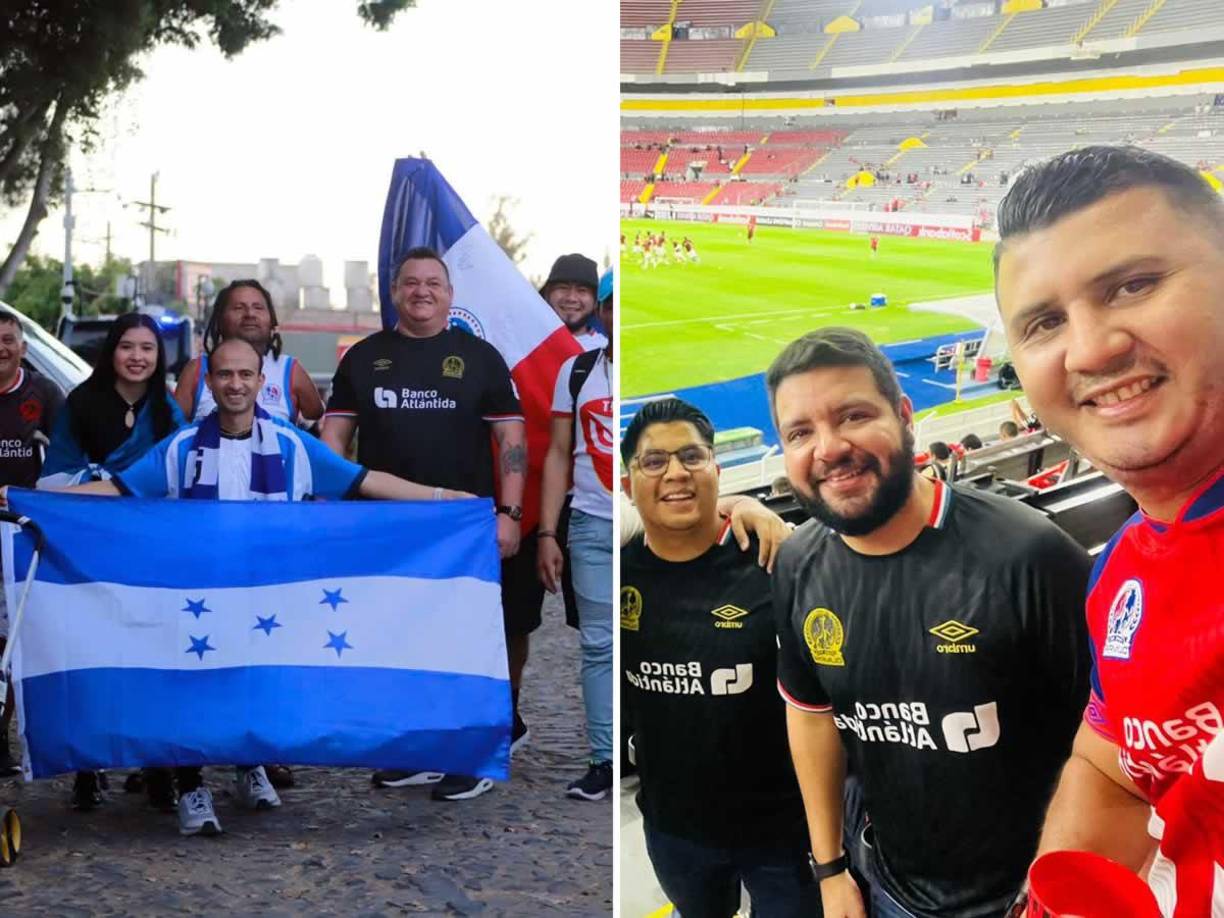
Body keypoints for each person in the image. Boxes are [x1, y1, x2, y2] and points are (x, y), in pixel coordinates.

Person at [49, 337, 469, 835]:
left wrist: (447, 500)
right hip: (200, 597)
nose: (235, 384)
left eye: (245, 375)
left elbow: (364, 481)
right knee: (197, 690)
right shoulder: (182, 448)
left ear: (261, 383)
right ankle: (192, 786)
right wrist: (32, 497)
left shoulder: (291, 445)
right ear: (209, 382)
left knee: (257, 682)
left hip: (267, 596)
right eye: (225, 375)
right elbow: (118, 491)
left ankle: (249, 765)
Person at [769, 327, 1091, 918]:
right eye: (800, 432)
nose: (830, 447)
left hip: (1023, 900)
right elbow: (811, 715)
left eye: (853, 415)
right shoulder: (796, 563)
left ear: (905, 416)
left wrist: (1053, 889)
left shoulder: (1029, 555)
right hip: (884, 888)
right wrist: (831, 868)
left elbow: (1107, 746)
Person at [993, 145, 1224, 915]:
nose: (1090, 348)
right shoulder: (1119, 571)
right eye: (1044, 323)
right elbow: (1115, 762)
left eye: (1134, 284)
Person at [321, 246, 527, 802]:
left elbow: (511, 441)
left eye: (433, 283)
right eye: (410, 283)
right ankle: (417, 753)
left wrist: (509, 514)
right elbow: (334, 439)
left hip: (461, 529)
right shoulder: (364, 358)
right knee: (398, 640)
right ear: (394, 293)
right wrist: (331, 501)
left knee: (466, 642)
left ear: (450, 295)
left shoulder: (480, 358)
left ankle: (473, 756)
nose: (421, 291)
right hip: (385, 529)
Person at [621, 397, 819, 918]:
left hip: (782, 831)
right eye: (654, 461)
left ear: (716, 466)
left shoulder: (775, 558)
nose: (675, 474)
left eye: (691, 457)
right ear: (627, 484)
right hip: (674, 829)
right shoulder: (617, 572)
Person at [37, 312, 188, 810]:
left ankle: (157, 767)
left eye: (148, 348)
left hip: (151, 554)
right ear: (112, 351)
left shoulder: (167, 409)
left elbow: (183, 471)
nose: (138, 357)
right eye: (128, 346)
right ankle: (87, 766)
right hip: (91, 550)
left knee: (153, 655)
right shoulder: (81, 403)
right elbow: (55, 476)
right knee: (91, 652)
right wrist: (105, 477)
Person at [538, 269, 614, 801]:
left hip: (652, 524)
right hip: (589, 523)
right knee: (598, 645)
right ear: (603, 312)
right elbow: (558, 454)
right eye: (615, 305)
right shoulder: (578, 369)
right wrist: (548, 531)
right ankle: (604, 758)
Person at [0, 311, 62, 777]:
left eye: (8, 339)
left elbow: (67, 458)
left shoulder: (44, 393)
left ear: (22, 347)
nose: (1, 348)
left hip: (26, 533)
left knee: (24, 638)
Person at [175, 279, 324, 425]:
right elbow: (172, 427)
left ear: (272, 320)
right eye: (239, 307)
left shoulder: (290, 369)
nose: (250, 314)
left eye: (258, 307)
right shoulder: (197, 369)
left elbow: (315, 413)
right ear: (220, 319)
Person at [540, 254, 607, 351]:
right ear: (547, 295)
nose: (571, 298)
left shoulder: (607, 351)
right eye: (563, 288)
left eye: (582, 290)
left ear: (595, 302)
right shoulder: (525, 344)